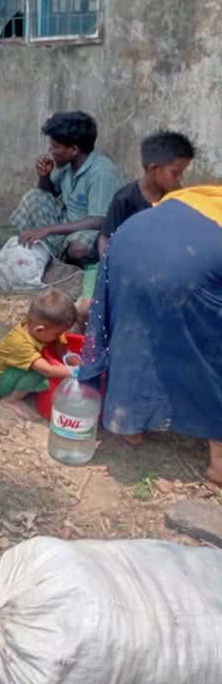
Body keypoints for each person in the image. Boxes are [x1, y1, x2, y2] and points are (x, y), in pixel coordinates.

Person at [80, 187, 222, 480]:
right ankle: (219, 462)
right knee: (209, 347)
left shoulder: (208, 194)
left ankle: (127, 422)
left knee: (135, 328)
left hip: (130, 238)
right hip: (190, 261)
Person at [10, 111, 123, 265]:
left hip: (93, 229)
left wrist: (49, 229)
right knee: (33, 196)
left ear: (74, 150)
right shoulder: (68, 165)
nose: (50, 150)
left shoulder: (102, 172)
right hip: (66, 222)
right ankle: (38, 248)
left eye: (55, 146)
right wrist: (44, 176)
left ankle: (65, 260)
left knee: (78, 247)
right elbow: (50, 193)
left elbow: (100, 220)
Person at [98, 130, 195, 257]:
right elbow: (105, 239)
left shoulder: (176, 196)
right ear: (154, 169)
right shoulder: (124, 199)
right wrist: (108, 268)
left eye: (182, 172)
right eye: (175, 173)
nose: (180, 178)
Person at [0, 289, 77, 420]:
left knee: (48, 359)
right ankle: (11, 399)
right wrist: (76, 372)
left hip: (14, 372)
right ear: (40, 330)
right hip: (0, 381)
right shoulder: (20, 343)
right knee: (39, 372)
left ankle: (23, 388)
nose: (60, 336)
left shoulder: (40, 328)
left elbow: (62, 349)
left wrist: (75, 361)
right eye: (57, 333)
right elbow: (48, 370)